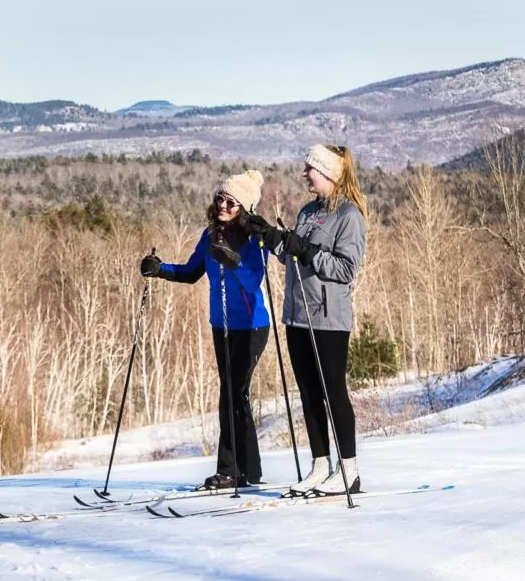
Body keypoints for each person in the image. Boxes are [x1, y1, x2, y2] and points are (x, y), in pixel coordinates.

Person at [246, 145, 367, 496]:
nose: (305, 175)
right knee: (309, 395)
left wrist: (308, 251)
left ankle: (349, 472)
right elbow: (292, 254)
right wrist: (271, 237)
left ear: (328, 173)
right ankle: (319, 466)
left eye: (310, 169)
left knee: (333, 392)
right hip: (297, 315)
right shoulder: (308, 211)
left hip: (329, 318)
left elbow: (345, 270)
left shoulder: (349, 216)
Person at [140, 170, 271, 489]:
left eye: (232, 202)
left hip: (251, 326)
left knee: (232, 394)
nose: (224, 205)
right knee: (235, 395)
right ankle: (249, 470)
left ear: (245, 208)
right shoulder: (209, 235)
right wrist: (160, 270)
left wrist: (233, 261)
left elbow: (254, 281)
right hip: (220, 325)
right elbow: (190, 272)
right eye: (220, 199)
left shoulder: (255, 240)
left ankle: (230, 470)